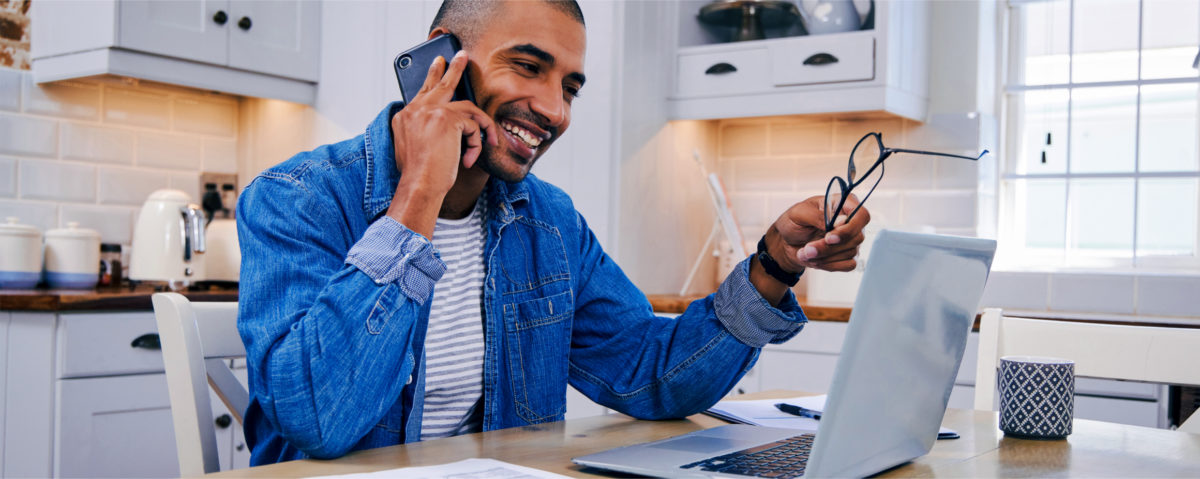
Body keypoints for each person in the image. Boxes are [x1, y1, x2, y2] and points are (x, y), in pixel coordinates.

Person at [236, 0, 870, 466]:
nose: (555, 110)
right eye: (529, 67)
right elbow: (318, 417)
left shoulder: (550, 222)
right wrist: (418, 197)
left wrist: (774, 267)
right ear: (443, 61)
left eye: (569, 86)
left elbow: (651, 372)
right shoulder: (297, 199)